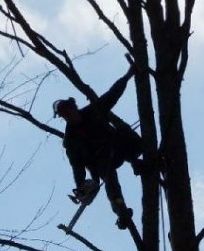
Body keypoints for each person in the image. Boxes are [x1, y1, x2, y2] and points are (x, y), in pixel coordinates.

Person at [53, 58, 143, 229]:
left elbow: (111, 95)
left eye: (68, 111)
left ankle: (137, 162)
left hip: (115, 147)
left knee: (126, 136)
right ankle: (121, 211)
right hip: (99, 163)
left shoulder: (92, 112)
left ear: (74, 107)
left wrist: (128, 76)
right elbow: (77, 167)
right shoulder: (70, 140)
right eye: (64, 114)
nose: (68, 115)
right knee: (110, 178)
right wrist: (81, 187)